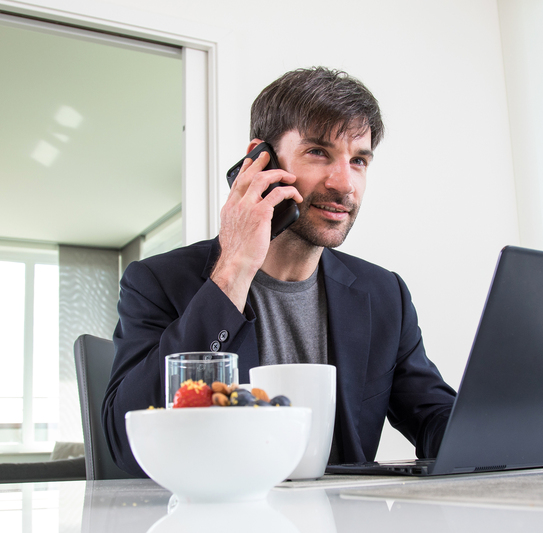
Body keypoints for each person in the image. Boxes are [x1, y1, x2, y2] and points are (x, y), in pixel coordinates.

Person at [103, 67, 456, 476]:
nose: (345, 185)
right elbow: (126, 445)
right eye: (319, 152)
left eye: (358, 160)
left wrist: (518, 422)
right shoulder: (158, 282)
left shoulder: (383, 294)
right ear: (261, 158)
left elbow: (434, 417)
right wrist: (234, 269)